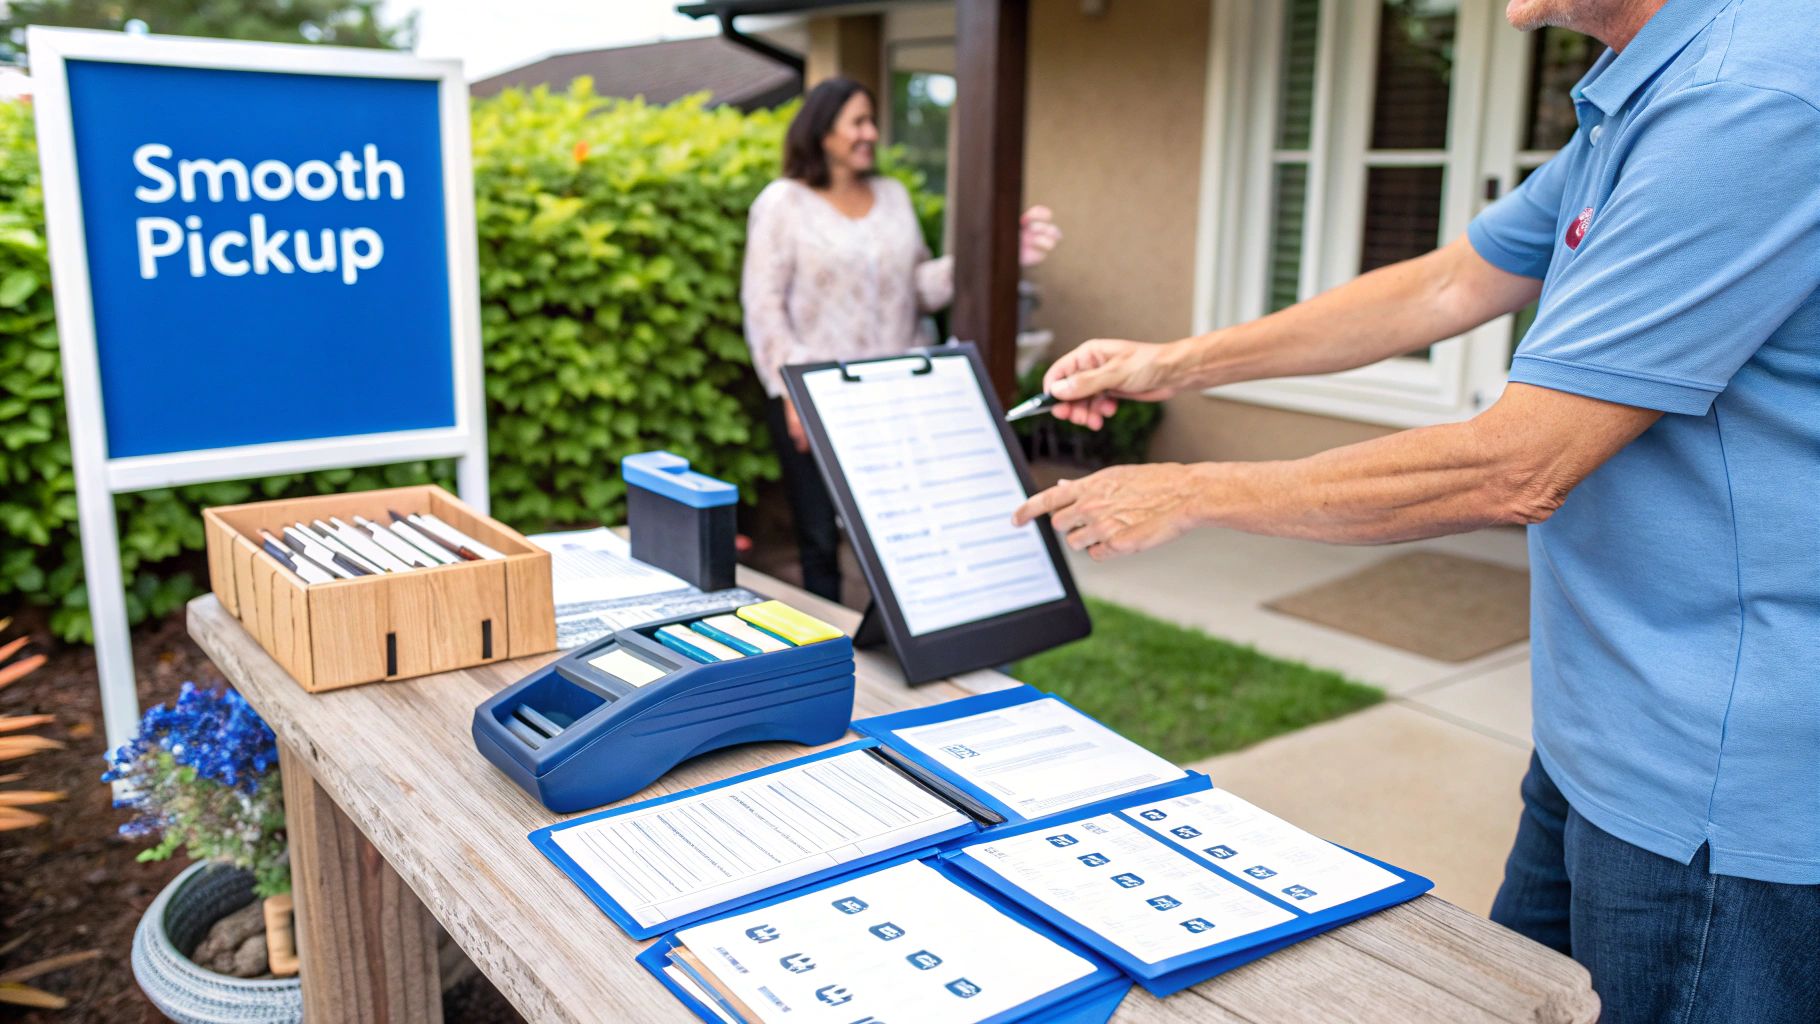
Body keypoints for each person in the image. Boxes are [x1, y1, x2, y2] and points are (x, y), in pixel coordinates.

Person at [1012, 0, 1819, 1020]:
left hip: (1709, 787)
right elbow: (1446, 285)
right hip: (1597, 735)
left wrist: (1189, 488)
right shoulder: (1643, 85)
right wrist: (1170, 365)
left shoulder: (1746, 96)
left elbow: (1515, 466)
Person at [742, 76, 1060, 602]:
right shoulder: (782, 204)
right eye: (858, 122)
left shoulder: (892, 197)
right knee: (819, 535)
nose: (871, 133)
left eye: (872, 121)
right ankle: (827, 648)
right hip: (816, 396)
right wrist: (793, 394)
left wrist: (1000, 256)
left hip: (893, 395)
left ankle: (902, 633)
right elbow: (763, 307)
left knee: (902, 530)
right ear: (822, 131)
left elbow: (918, 287)